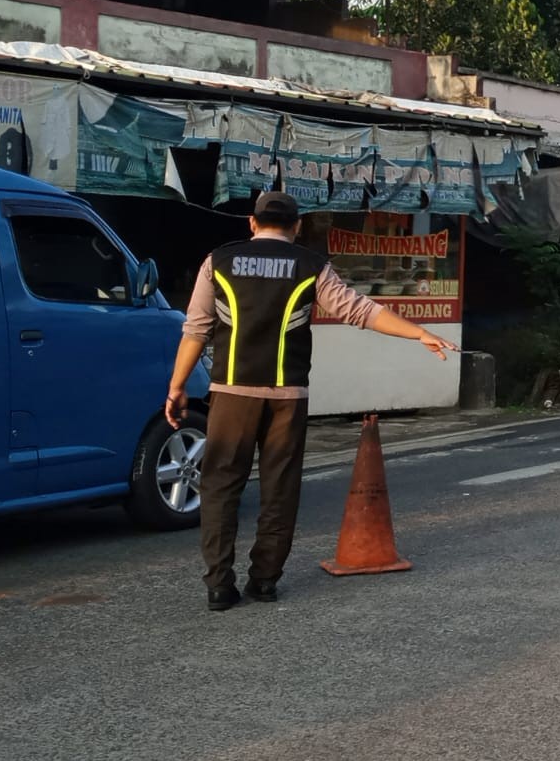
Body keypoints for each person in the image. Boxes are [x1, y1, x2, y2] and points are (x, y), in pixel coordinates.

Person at [165, 192, 459, 611]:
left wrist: (177, 387)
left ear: (252, 222)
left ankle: (218, 586)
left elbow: (195, 330)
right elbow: (360, 310)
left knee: (219, 488)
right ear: (297, 226)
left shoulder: (219, 262)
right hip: (288, 396)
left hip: (231, 393)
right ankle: (264, 581)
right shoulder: (311, 267)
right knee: (279, 490)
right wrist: (419, 333)